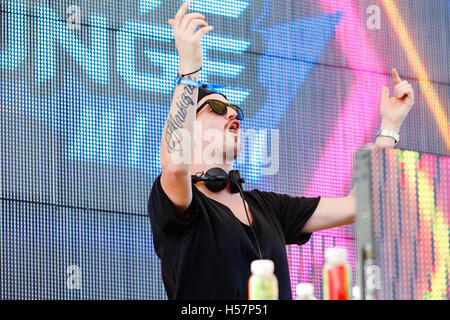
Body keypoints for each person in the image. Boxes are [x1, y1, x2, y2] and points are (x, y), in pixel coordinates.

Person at [148, 1, 414, 299]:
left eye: (235, 109)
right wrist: (189, 70)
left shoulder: (267, 207)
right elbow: (174, 165)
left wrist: (389, 128)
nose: (232, 114)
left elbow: (358, 206)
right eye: (218, 108)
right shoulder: (178, 200)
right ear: (189, 128)